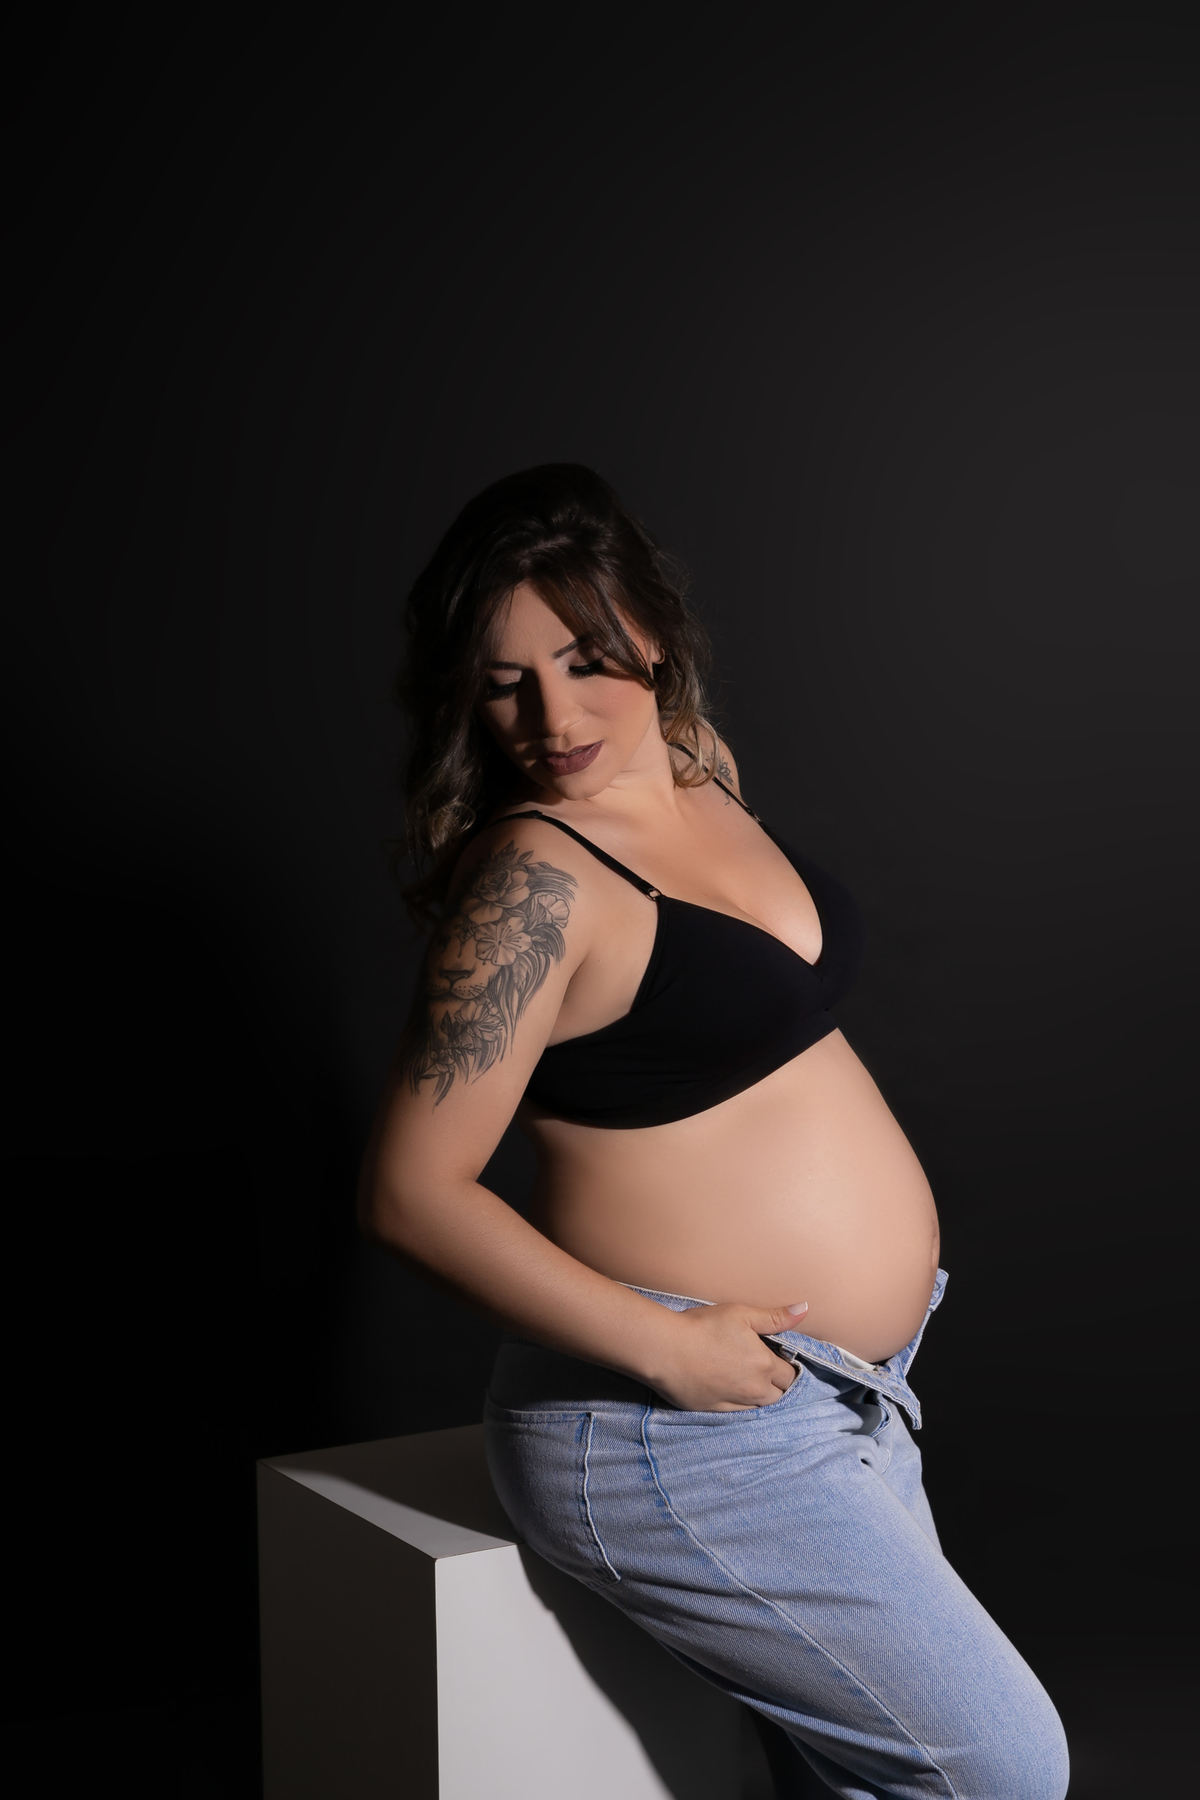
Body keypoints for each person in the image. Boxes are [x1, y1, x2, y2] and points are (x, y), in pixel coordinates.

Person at [359, 464, 1069, 1799]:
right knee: (1003, 1770)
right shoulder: (534, 881)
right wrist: (666, 1348)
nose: (554, 716)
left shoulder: (697, 774)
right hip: (673, 1426)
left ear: (653, 629)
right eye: (506, 683)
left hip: (841, 1394)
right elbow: (412, 1192)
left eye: (587, 660)